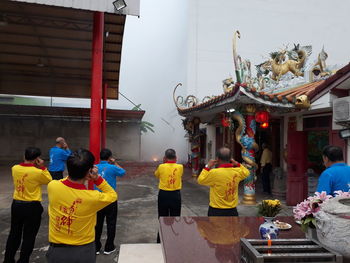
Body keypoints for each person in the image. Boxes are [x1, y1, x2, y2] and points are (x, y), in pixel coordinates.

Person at [46, 149, 117, 263]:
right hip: (84, 251)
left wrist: (80, 172)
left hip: (56, 251)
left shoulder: (52, 186)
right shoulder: (92, 197)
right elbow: (112, 195)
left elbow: (66, 181)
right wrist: (97, 179)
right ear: (89, 172)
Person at [4, 147, 52, 263]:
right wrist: (43, 167)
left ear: (24, 156)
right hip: (32, 206)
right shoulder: (38, 172)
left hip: (16, 205)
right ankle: (23, 260)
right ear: (36, 159)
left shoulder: (14, 168)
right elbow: (49, 180)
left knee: (14, 233)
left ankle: (8, 260)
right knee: (29, 236)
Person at [197, 147, 249, 216]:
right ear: (230, 158)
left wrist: (207, 166)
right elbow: (246, 172)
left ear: (217, 159)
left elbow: (200, 180)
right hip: (232, 210)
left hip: (216, 210)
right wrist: (237, 164)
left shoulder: (214, 173)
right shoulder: (237, 172)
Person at [94, 148, 125, 255]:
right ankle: (109, 247)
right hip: (110, 199)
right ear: (109, 158)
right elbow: (123, 172)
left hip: (97, 199)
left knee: (97, 224)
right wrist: (115, 162)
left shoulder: (95, 168)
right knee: (111, 223)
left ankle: (96, 247)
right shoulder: (112, 167)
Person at [154, 149, 183, 243]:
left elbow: (156, 175)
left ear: (165, 158)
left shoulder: (161, 166)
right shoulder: (180, 167)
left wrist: (163, 163)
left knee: (162, 217)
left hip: (163, 194)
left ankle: (160, 240)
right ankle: (174, 239)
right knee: (175, 217)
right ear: (176, 157)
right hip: (175, 195)